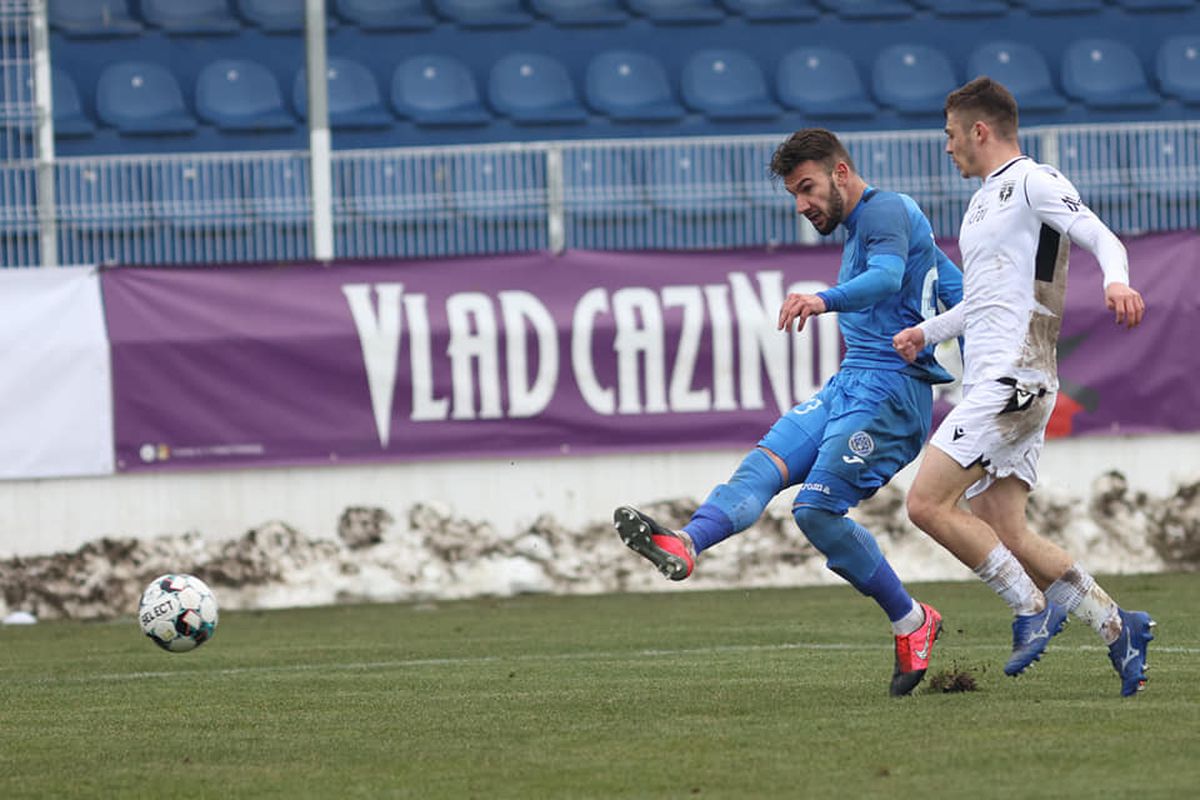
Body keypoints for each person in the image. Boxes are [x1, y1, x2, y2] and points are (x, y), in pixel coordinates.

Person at [614, 128, 963, 697]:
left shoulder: (886, 210)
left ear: (841, 173)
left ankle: (912, 621)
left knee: (815, 511)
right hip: (850, 384)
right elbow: (958, 290)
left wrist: (821, 298)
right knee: (761, 466)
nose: (802, 206)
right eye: (795, 195)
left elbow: (888, 279)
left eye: (807, 189)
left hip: (892, 395)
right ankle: (687, 542)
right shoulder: (878, 226)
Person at [892, 76, 1155, 696]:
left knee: (926, 504)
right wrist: (926, 333)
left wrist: (1116, 280)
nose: (949, 147)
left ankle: (1031, 608)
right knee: (1005, 531)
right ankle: (1120, 626)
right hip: (1008, 380)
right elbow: (985, 303)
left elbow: (1100, 234)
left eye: (952, 135)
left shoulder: (1035, 180)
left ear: (980, 131)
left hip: (1013, 379)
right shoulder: (984, 200)